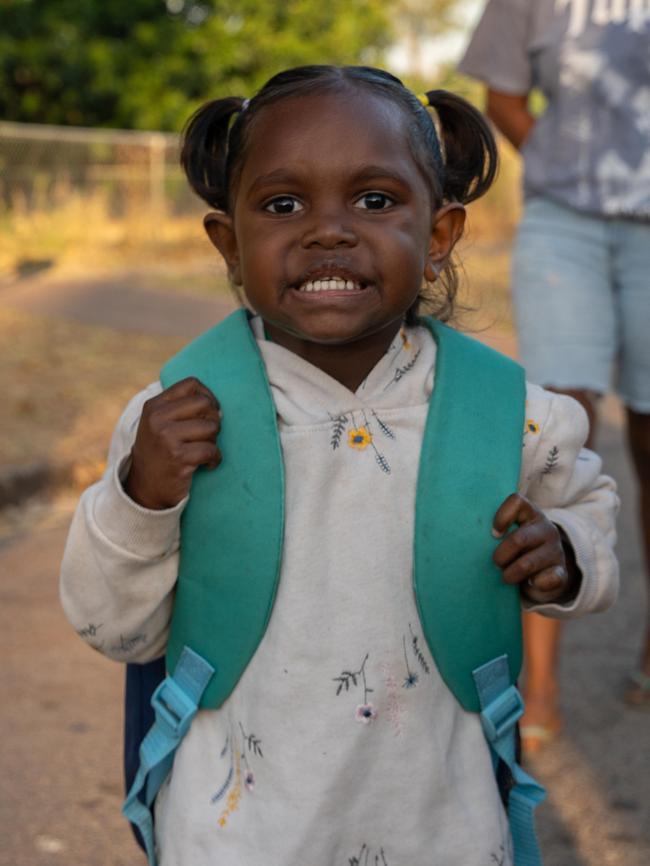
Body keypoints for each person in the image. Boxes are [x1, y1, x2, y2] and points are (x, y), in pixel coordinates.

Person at [59, 65, 619, 866]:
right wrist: (142, 497)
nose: (328, 229)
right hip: (240, 831)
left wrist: (564, 552)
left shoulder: (511, 413)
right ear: (230, 241)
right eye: (283, 205)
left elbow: (590, 509)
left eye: (375, 200)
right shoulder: (175, 419)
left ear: (439, 236)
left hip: (441, 822)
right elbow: (111, 625)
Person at [459, 1, 650, 750]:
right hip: (563, 224)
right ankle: (537, 680)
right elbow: (500, 95)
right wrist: (565, 164)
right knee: (552, 435)